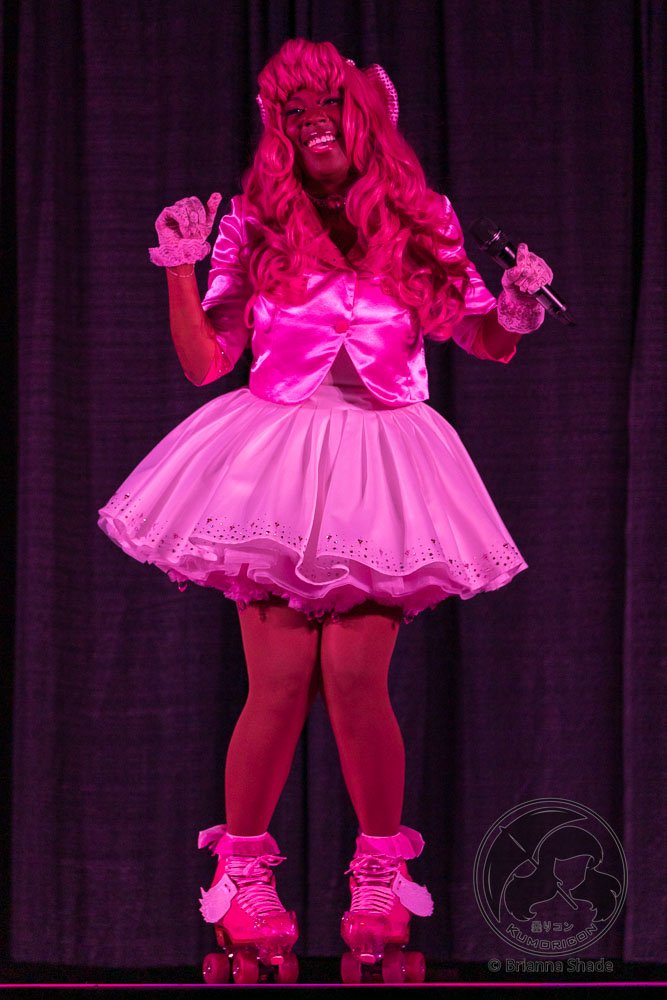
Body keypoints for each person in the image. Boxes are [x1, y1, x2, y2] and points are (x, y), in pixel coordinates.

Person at [97, 38, 553, 984]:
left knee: (353, 676)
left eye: (323, 113)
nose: (308, 132)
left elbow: (480, 335)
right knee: (277, 679)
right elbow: (203, 360)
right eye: (291, 120)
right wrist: (179, 268)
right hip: (274, 454)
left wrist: (513, 307)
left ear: (365, 118)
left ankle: (379, 879)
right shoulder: (255, 225)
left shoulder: (422, 218)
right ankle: (244, 877)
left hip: (381, 458)